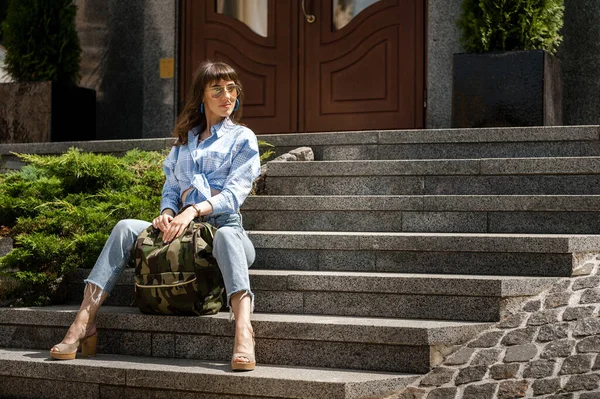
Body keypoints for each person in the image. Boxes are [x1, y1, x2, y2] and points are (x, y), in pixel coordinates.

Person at [49, 60, 261, 371]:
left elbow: (233, 195)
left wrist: (192, 211)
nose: (227, 95)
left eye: (231, 89)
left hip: (225, 234)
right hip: (181, 234)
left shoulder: (243, 138)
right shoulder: (183, 145)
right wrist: (165, 214)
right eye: (217, 89)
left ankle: (244, 332)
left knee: (227, 235)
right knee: (124, 227)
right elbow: (171, 190)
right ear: (201, 96)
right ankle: (84, 321)